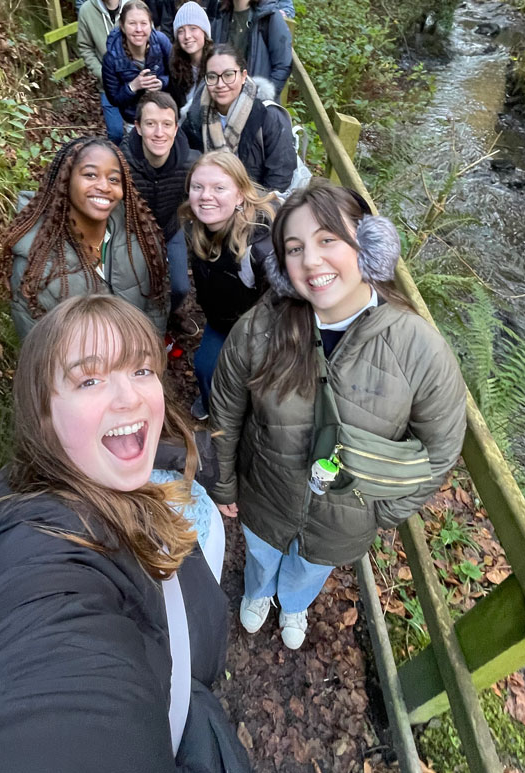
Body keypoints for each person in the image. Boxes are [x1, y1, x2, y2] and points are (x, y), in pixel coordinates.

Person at [0, 295, 252, 773]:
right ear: (43, 416)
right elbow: (47, 703)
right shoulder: (35, 547)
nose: (129, 398)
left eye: (142, 370)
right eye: (89, 380)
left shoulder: (106, 477)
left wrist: (198, 459)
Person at [209, 179, 467, 649]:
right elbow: (225, 409)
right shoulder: (261, 327)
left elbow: (441, 448)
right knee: (262, 557)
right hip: (265, 499)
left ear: (368, 245)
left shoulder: (419, 349)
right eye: (294, 248)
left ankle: (293, 604)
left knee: (309, 571)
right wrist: (224, 483)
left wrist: (380, 511)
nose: (311, 260)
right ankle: (258, 592)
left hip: (341, 524)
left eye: (328, 239)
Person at [0, 136, 169, 340]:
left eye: (114, 179)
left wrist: (149, 356)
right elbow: (37, 350)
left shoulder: (140, 235)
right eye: (90, 175)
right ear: (65, 180)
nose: (104, 186)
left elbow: (157, 306)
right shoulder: (34, 265)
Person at [179, 151, 277, 420]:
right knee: (204, 368)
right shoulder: (197, 227)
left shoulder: (260, 248)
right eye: (197, 187)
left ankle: (236, 420)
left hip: (258, 332)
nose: (205, 196)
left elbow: (280, 308)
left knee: (250, 385)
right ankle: (213, 409)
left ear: (240, 195)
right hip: (220, 319)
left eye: (219, 188)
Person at [120, 92, 200, 318]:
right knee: (134, 286)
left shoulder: (191, 162)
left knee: (181, 288)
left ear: (176, 128)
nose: (159, 133)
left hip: (170, 227)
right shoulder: (121, 162)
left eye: (166, 124)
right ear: (137, 127)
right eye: (150, 124)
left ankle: (171, 317)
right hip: (133, 232)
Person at [183, 44, 296, 194]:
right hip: (209, 202)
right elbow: (187, 166)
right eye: (212, 76)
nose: (220, 84)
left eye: (228, 75)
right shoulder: (195, 117)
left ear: (243, 76)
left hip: (257, 205)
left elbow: (280, 177)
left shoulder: (268, 116)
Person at [102, 0, 172, 127]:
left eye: (144, 23)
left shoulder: (162, 43)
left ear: (151, 25)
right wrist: (132, 87)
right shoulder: (111, 58)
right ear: (122, 26)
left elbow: (176, 76)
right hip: (133, 118)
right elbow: (114, 98)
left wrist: (162, 82)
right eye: (132, 24)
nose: (138, 29)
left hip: (163, 111)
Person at [205, 0, 292, 94]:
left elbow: (283, 65)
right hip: (223, 98)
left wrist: (262, 99)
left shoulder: (269, 15)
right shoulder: (220, 14)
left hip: (256, 99)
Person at [77, 0, 131, 143]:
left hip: (135, 80)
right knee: (115, 133)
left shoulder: (133, 5)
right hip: (108, 85)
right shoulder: (86, 10)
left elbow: (149, 35)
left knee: (139, 130)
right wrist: (103, 74)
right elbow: (85, 46)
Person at [168, 1, 214, 121]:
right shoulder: (175, 66)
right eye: (181, 31)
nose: (187, 36)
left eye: (193, 28)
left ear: (204, 32)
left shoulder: (216, 64)